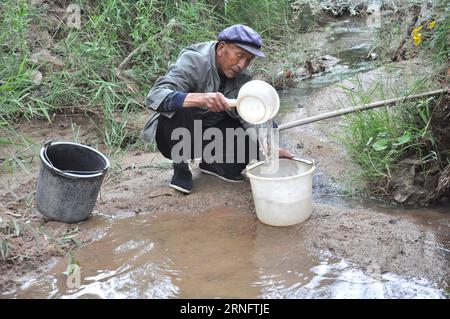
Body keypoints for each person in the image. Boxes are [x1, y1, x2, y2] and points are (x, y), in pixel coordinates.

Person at [142, 24, 293, 194]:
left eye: (248, 60)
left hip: (210, 133)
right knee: (183, 106)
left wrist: (268, 145)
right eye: (240, 56)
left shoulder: (242, 78)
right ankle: (181, 166)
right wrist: (200, 99)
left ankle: (213, 165)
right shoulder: (194, 60)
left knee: (254, 131)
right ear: (222, 48)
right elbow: (155, 96)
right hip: (175, 136)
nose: (242, 65)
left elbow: (250, 116)